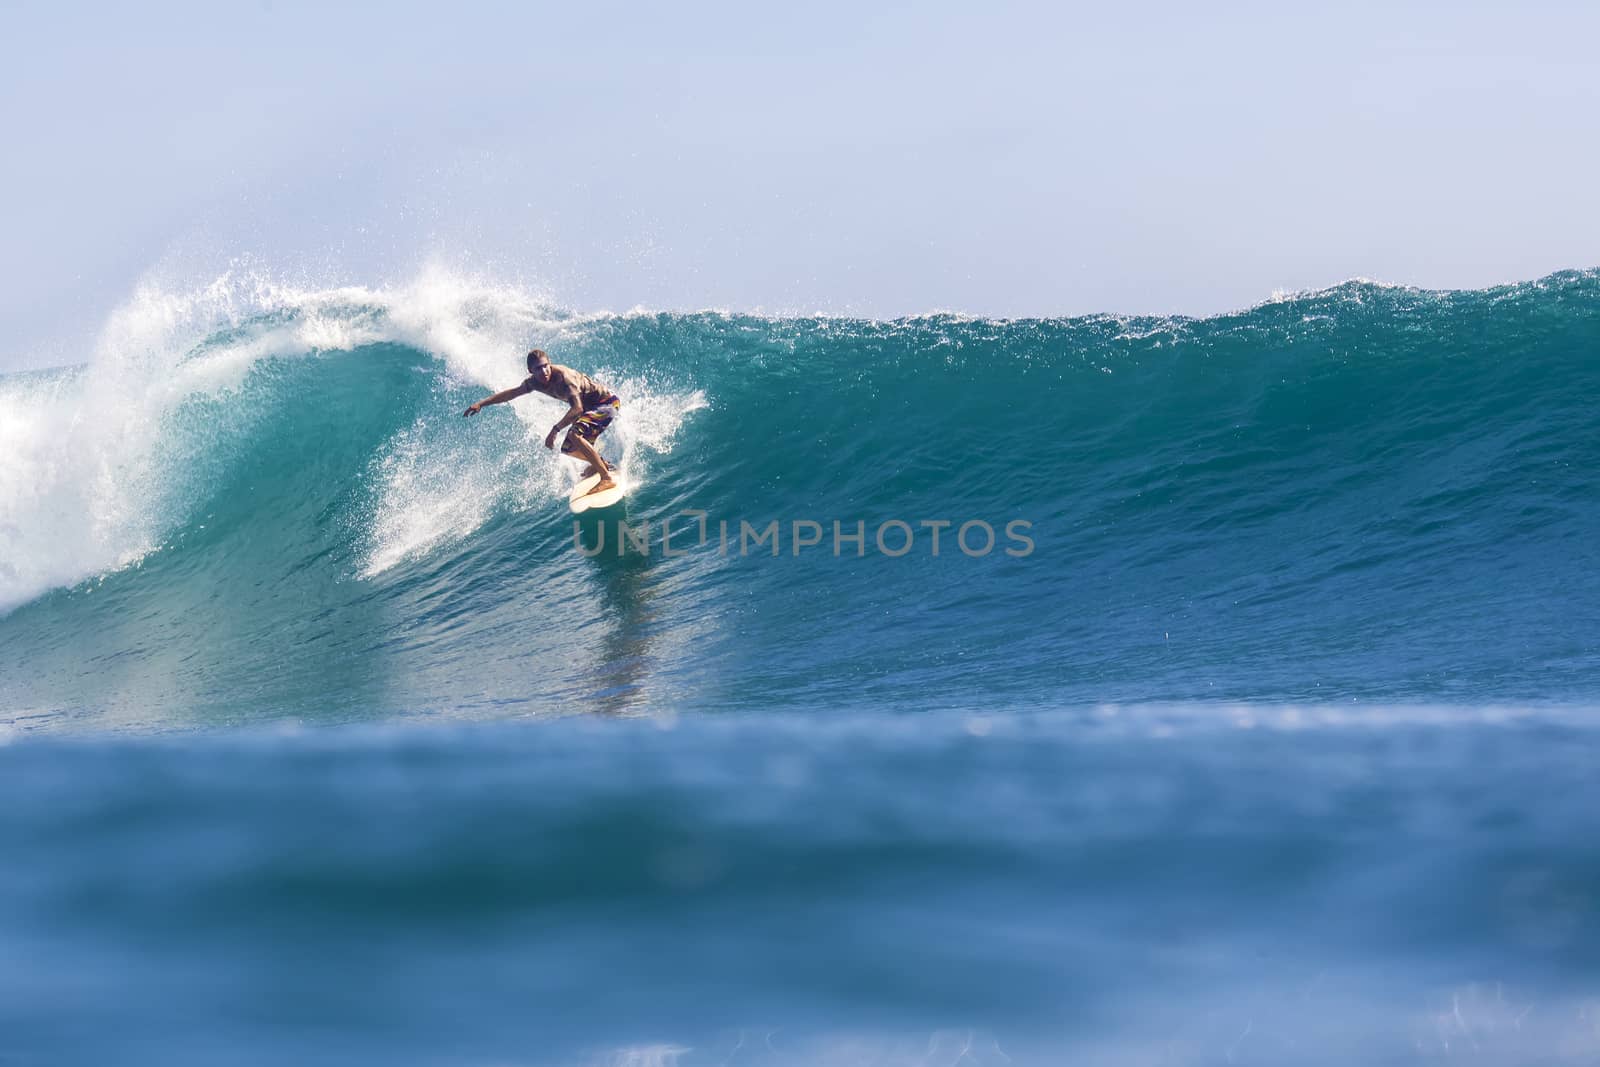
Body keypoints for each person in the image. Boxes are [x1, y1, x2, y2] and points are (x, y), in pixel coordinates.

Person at [463, 349, 621, 496]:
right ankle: (600, 463)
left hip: (606, 404)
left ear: (550, 363)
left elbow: (577, 409)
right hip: (590, 409)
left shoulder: (565, 378)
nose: (544, 371)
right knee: (568, 448)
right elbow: (511, 394)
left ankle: (606, 478)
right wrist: (481, 404)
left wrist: (555, 430)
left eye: (546, 366)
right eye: (538, 368)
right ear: (530, 371)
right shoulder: (534, 382)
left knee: (574, 434)